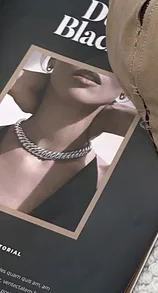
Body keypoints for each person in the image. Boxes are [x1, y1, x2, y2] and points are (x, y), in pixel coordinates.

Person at [0, 57, 135, 231]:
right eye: (85, 52)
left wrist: (131, 123)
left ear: (125, 89)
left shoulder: (106, 184)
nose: (94, 64)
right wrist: (16, 77)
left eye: (114, 63)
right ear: (52, 60)